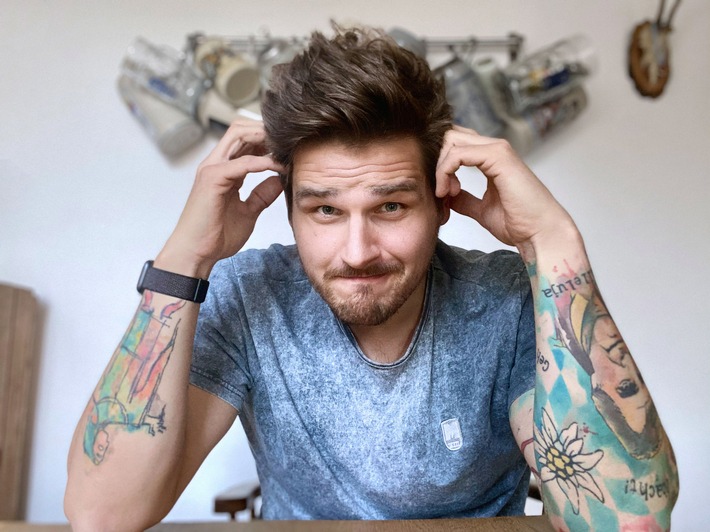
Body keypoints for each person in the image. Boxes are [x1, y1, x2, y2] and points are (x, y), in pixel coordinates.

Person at [65, 26, 678, 530]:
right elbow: (103, 515)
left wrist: (553, 243)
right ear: (289, 211)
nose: (358, 252)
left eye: (390, 206)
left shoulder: (505, 299)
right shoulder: (250, 296)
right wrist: (185, 259)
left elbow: (627, 522)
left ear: (441, 203)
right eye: (325, 210)